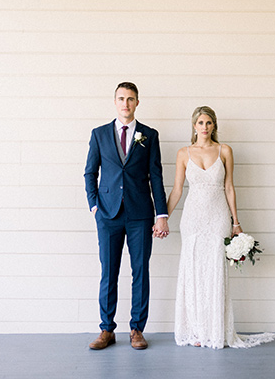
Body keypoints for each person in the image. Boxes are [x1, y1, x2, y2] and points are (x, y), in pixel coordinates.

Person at [167, 105, 275, 349]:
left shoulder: (224, 150)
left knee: (215, 270)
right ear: (193, 126)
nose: (204, 127)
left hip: (217, 216)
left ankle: (215, 330)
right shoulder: (184, 153)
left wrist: (235, 222)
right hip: (193, 218)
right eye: (200, 123)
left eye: (208, 123)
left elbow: (229, 187)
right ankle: (195, 331)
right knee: (193, 270)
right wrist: (162, 217)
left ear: (214, 125)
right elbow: (176, 190)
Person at [84, 82, 169, 350]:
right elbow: (90, 172)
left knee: (140, 272)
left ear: (137, 103)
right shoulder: (99, 134)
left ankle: (136, 329)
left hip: (140, 215)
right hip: (108, 214)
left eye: (130, 99)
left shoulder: (149, 135)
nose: (126, 104)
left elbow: (156, 175)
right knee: (108, 272)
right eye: (121, 99)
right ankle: (106, 330)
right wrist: (94, 206)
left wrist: (161, 214)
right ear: (115, 101)